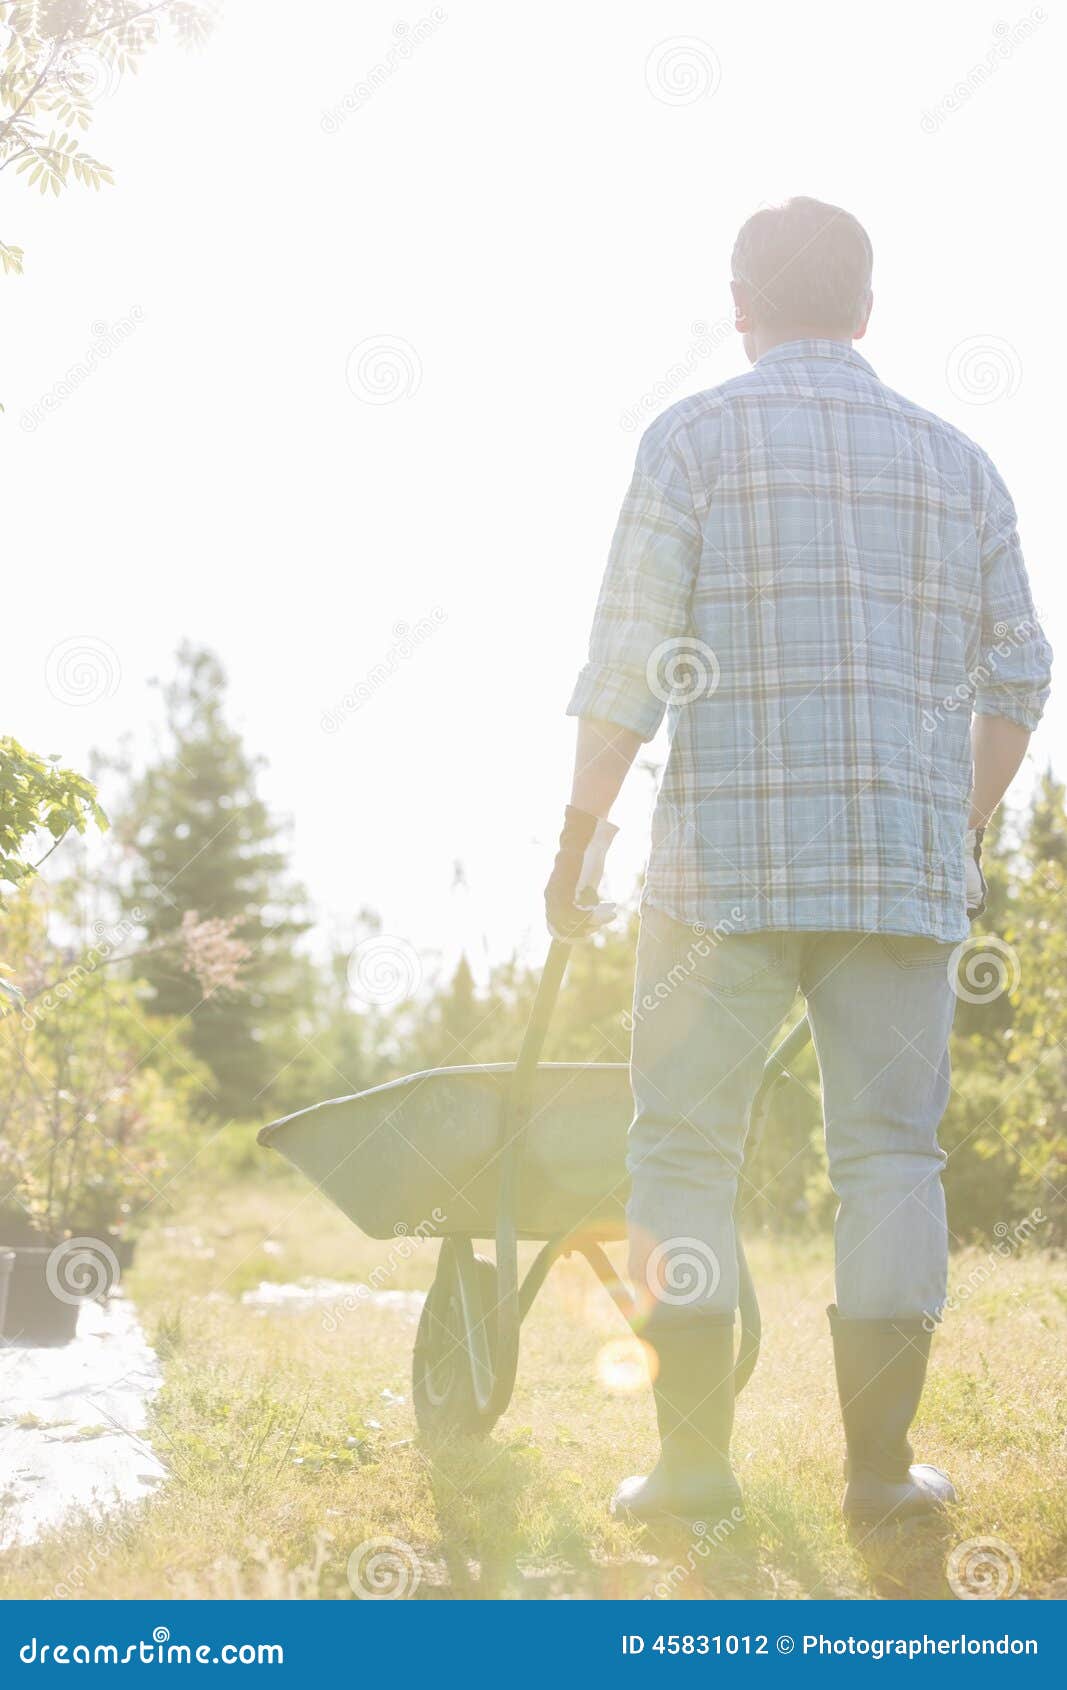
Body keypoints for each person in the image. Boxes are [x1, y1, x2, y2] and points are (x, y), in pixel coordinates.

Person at [545, 197, 1052, 1528]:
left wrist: (577, 841)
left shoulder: (693, 441)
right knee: (892, 1154)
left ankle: (694, 1469)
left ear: (740, 304)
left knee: (681, 1151)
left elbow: (627, 666)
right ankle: (884, 1480)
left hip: (722, 877)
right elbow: (1021, 671)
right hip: (899, 868)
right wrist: (964, 823)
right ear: (868, 310)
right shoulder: (961, 464)